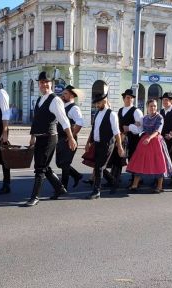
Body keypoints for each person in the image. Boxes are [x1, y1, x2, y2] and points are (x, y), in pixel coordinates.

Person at [24, 72, 77, 207]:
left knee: (40, 168)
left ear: (51, 83)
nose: (44, 84)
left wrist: (71, 138)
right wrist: (32, 137)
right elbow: (36, 121)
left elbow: (64, 121)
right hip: (40, 137)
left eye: (46, 82)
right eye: (41, 82)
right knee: (44, 166)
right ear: (39, 84)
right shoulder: (39, 99)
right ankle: (59, 188)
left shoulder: (55, 100)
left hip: (50, 137)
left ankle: (35, 196)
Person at [127, 99, 172, 193]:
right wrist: (134, 125)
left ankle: (160, 186)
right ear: (147, 107)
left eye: (155, 106)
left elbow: (157, 131)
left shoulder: (159, 117)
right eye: (151, 106)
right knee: (140, 161)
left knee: (158, 162)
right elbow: (140, 127)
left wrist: (149, 138)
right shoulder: (144, 117)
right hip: (144, 141)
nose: (153, 108)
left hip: (156, 140)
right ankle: (135, 184)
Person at [86, 92, 124, 199]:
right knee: (99, 166)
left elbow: (117, 132)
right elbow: (94, 129)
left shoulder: (112, 114)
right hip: (97, 143)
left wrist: (120, 146)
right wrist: (88, 142)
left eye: (99, 103)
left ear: (105, 100)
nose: (97, 105)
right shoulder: (98, 113)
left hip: (107, 144)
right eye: (96, 103)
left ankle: (96, 190)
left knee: (99, 167)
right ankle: (113, 181)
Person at [108, 89, 143, 192]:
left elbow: (140, 128)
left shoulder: (136, 111)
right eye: (128, 97)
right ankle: (115, 180)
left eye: (132, 98)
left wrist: (129, 127)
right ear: (124, 98)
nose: (130, 99)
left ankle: (135, 181)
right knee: (118, 158)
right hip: (121, 138)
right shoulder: (120, 110)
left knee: (133, 159)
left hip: (133, 139)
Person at [57, 85, 85, 189]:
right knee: (59, 163)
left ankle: (63, 187)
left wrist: (71, 137)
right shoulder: (62, 106)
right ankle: (77, 175)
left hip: (69, 139)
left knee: (65, 164)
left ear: (72, 95)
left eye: (65, 94)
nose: (63, 95)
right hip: (60, 138)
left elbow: (80, 122)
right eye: (63, 93)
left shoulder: (74, 108)